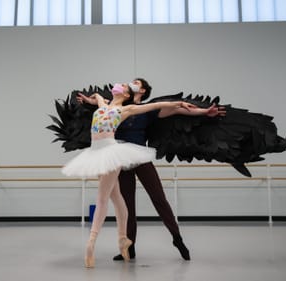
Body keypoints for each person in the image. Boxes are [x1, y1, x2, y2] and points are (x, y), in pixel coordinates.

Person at [77, 79, 226, 262]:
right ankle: (130, 248)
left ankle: (177, 239)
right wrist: (88, 100)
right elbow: (99, 102)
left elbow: (177, 109)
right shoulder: (119, 105)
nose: (131, 83)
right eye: (130, 82)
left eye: (136, 82)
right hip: (120, 159)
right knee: (127, 203)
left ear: (143, 90)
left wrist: (204, 112)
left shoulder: (146, 110)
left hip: (139, 156)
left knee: (158, 198)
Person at [62, 83, 194, 268]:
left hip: (122, 154)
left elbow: (157, 106)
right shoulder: (104, 104)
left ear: (131, 93)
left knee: (125, 199)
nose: (123, 84)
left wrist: (181, 103)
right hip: (103, 154)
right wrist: (88, 99)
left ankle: (92, 243)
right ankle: (125, 242)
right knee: (120, 200)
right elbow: (97, 97)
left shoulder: (130, 109)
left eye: (128, 85)